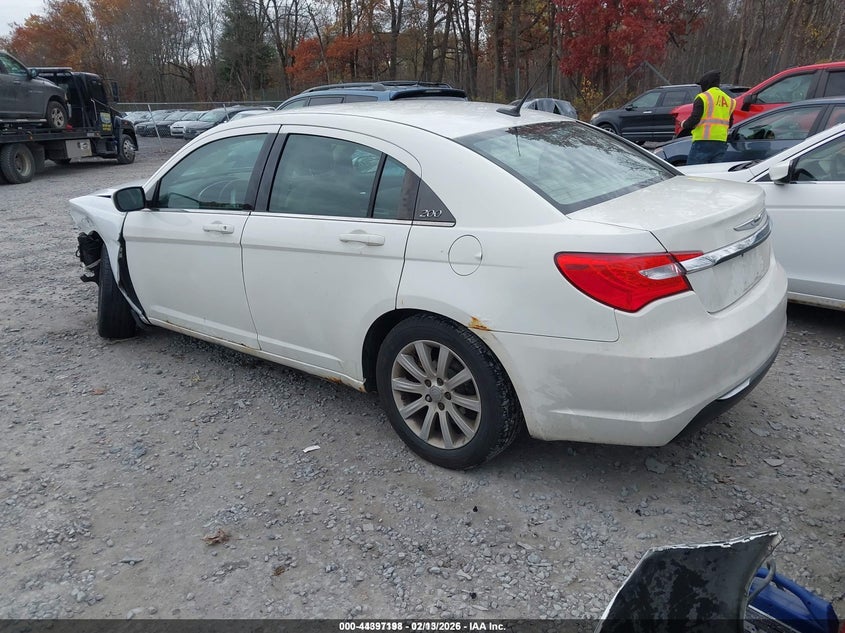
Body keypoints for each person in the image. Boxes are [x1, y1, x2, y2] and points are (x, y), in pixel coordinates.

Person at [680, 70, 736, 165]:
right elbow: (729, 123)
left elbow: (695, 119)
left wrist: (683, 124)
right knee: (713, 171)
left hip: (703, 140)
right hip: (721, 141)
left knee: (693, 171)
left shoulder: (702, 97)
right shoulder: (729, 100)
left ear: (706, 83)